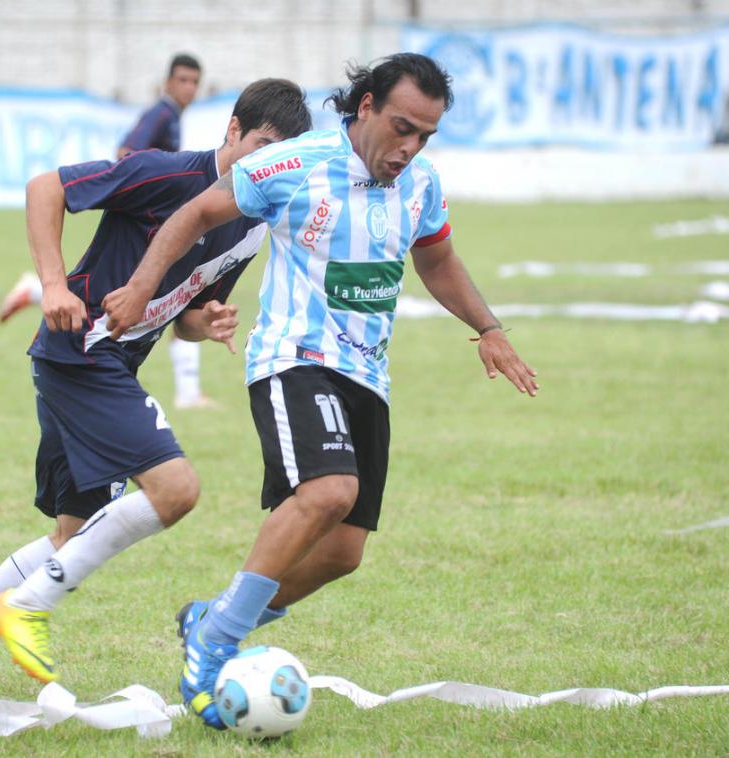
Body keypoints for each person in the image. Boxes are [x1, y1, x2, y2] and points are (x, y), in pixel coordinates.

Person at [101, 53, 539, 728]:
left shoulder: (419, 183)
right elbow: (193, 215)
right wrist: (140, 286)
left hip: (368, 373)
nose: (410, 146)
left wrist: (488, 327)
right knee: (330, 492)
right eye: (401, 127)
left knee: (342, 552)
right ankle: (215, 646)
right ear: (364, 106)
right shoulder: (293, 164)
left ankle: (212, 616)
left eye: (425, 134)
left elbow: (438, 257)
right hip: (293, 358)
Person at [0, 78, 313, 691]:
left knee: (72, 534)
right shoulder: (169, 175)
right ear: (230, 131)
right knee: (175, 490)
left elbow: (186, 318)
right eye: (261, 144)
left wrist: (207, 321)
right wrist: (54, 284)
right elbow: (47, 188)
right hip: (83, 353)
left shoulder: (251, 223)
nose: (266, 163)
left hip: (97, 363)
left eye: (281, 155)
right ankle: (25, 608)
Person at [0, 53, 212, 409]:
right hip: (147, 215)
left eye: (194, 82)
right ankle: (187, 393)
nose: (188, 88)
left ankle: (35, 293)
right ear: (168, 82)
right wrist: (145, 184)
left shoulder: (172, 115)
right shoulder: (161, 112)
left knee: (160, 294)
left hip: (158, 215)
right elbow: (126, 150)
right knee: (168, 291)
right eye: (183, 80)